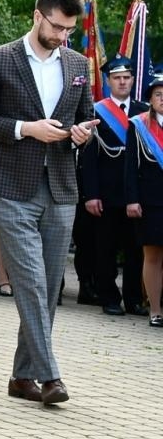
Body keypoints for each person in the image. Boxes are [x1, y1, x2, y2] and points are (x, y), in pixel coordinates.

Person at [0, 0, 96, 407]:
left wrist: (80, 136)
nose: (62, 37)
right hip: (9, 186)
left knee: (50, 283)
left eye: (69, 31)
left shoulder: (78, 63)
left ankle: (22, 377)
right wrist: (25, 129)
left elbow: (86, 119)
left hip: (60, 186)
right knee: (30, 281)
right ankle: (50, 375)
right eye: (56, 27)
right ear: (38, 15)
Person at [79, 57, 147, 317]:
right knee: (104, 249)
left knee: (135, 250)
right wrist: (91, 194)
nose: (122, 81)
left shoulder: (143, 112)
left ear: (132, 80)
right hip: (106, 194)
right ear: (108, 82)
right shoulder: (97, 112)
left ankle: (133, 299)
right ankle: (109, 297)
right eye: (117, 78)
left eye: (126, 77)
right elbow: (89, 158)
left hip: (136, 194)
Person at [123, 74, 163, 328]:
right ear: (150, 98)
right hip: (152, 201)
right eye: (159, 94)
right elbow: (130, 168)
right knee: (153, 256)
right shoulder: (139, 125)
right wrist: (132, 200)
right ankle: (155, 310)